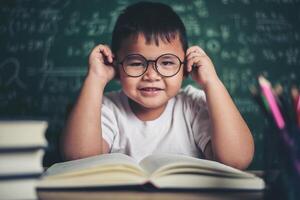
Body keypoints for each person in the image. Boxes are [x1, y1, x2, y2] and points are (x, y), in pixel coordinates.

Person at [62, 1, 254, 170]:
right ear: (116, 66)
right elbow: (79, 159)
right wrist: (95, 79)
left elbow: (236, 160)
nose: (152, 75)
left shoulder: (192, 104)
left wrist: (212, 82)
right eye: (136, 63)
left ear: (186, 67)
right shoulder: (107, 109)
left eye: (167, 63)